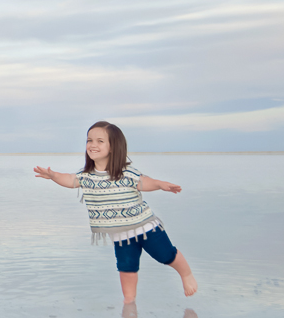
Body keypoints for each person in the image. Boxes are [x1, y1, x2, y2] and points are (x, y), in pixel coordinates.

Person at [33, 121, 197, 304]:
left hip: (145, 227)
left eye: (100, 141)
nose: (92, 145)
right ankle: (129, 301)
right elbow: (70, 180)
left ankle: (186, 274)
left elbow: (144, 181)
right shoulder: (86, 176)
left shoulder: (124, 173)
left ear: (113, 147)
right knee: (126, 267)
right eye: (89, 140)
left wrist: (161, 185)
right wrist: (54, 176)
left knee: (166, 255)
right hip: (121, 233)